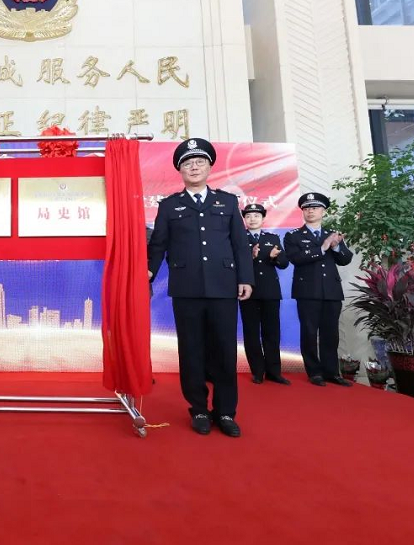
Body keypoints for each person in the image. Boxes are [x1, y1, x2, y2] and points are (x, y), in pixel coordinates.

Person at [147, 138, 253, 438]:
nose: (194, 167)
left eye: (199, 162)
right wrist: (148, 272)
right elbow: (159, 245)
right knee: (191, 350)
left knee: (224, 350)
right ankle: (199, 409)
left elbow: (240, 244)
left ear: (209, 167)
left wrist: (245, 278)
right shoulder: (169, 205)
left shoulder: (227, 202)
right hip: (187, 288)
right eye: (188, 163)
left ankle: (226, 411)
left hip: (223, 286)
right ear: (180, 170)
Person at [282, 192, 354, 387]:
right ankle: (314, 372)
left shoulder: (332, 234)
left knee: (331, 333)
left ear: (323, 211)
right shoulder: (293, 235)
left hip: (331, 291)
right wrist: (322, 248)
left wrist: (336, 247)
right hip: (307, 291)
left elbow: (345, 259)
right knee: (309, 332)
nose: (310, 211)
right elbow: (295, 258)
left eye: (314, 208)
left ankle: (331, 372)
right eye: (306, 208)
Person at [240, 203, 291, 385]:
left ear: (263, 219)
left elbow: (284, 263)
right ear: (244, 220)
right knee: (251, 333)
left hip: (270, 291)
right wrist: (251, 256)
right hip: (248, 292)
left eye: (256, 216)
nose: (252, 219)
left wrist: (276, 256)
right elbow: (233, 262)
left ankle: (274, 372)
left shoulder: (272, 238)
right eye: (248, 216)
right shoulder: (239, 238)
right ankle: (257, 371)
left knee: (272, 332)